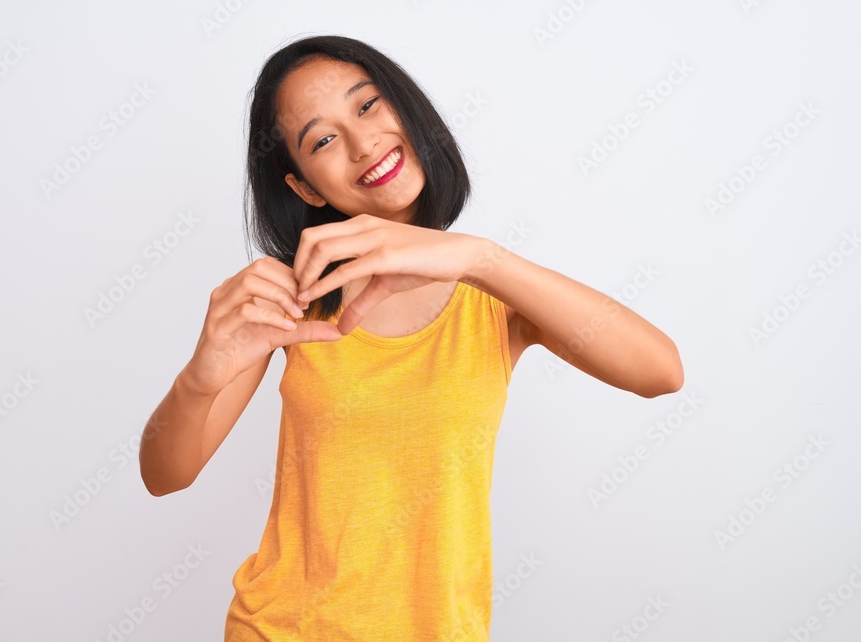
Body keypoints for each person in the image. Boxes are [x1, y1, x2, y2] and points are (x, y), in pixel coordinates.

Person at [138, 34, 684, 641]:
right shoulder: (293, 300)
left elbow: (661, 372)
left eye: (367, 105)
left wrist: (478, 258)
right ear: (306, 188)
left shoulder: (492, 291)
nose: (363, 143)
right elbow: (165, 476)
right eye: (323, 140)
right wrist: (198, 379)